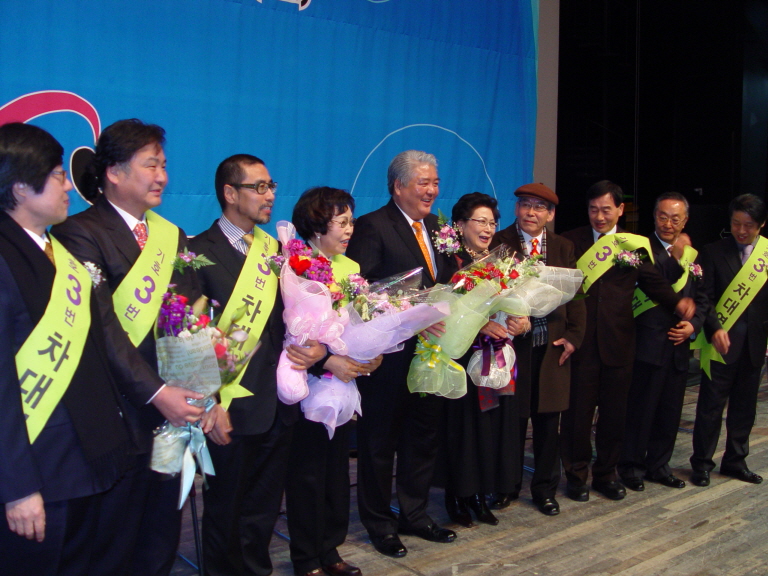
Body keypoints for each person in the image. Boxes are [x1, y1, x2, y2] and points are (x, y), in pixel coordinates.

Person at [51, 118, 205, 576]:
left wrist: (201, 389)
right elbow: (101, 328)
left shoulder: (172, 235)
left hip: (172, 416)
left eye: (164, 165)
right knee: (111, 542)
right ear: (114, 172)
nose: (162, 177)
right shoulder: (79, 233)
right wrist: (158, 393)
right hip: (119, 415)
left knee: (161, 532)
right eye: (151, 165)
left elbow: (191, 317)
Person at [0, 122, 137, 575]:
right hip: (37, 473)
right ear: (21, 187)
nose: (68, 187)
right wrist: (17, 487)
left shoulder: (58, 253)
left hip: (85, 459)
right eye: (58, 175)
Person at [189, 154, 326, 576]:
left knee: (262, 509)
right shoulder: (197, 252)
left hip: (278, 402)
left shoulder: (277, 250)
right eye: (259, 187)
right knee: (225, 509)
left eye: (271, 186)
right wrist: (210, 403)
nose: (269, 196)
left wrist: (319, 348)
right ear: (230, 194)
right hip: (230, 406)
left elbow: (298, 318)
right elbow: (189, 337)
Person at [346, 150, 455, 559]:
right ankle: (379, 524)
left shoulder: (438, 227)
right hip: (389, 357)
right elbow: (363, 290)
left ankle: (415, 514)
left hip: (431, 354)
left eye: (435, 183)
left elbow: (446, 279)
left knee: (422, 437)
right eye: (423, 182)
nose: (432, 190)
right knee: (379, 443)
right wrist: (416, 315)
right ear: (398, 186)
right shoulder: (373, 226)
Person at [560, 180, 695, 503]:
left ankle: (606, 474)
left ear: (620, 209)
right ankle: (576, 475)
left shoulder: (632, 245)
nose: (599, 216)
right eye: (593, 209)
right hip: (582, 345)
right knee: (578, 417)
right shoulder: (570, 241)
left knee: (614, 416)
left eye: (606, 210)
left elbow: (653, 282)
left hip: (620, 344)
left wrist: (678, 303)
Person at [285, 186, 383, 576]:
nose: (349, 230)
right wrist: (328, 360)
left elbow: (362, 323)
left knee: (337, 473)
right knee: (307, 475)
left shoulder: (350, 268)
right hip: (306, 383)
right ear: (316, 225)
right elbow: (293, 334)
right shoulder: (294, 266)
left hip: (342, 386)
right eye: (341, 223)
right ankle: (306, 558)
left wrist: (373, 352)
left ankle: (330, 550)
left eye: (351, 222)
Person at [490, 183, 586, 516]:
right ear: (516, 208)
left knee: (548, 424)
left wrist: (573, 337)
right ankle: (506, 486)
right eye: (525, 205)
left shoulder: (563, 246)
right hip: (512, 346)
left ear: (551, 214)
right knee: (511, 423)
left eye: (539, 207)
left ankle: (545, 490)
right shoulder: (499, 242)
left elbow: (577, 296)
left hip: (552, 347)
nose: (531, 212)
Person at [441, 192, 525, 528]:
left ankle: (479, 494)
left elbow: (513, 302)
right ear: (460, 225)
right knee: (462, 430)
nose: (488, 228)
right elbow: (444, 308)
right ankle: (457, 496)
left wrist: (519, 319)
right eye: (481, 221)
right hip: (461, 357)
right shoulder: (450, 262)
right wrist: (478, 323)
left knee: (488, 427)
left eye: (492, 222)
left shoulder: (500, 261)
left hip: (493, 357)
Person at [618, 192, 707, 491]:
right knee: (640, 412)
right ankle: (630, 466)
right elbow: (656, 284)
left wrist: (693, 325)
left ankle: (659, 466)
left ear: (685, 221)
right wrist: (677, 257)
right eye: (662, 217)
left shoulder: (693, 255)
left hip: (679, 348)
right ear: (654, 216)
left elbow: (702, 298)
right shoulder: (641, 249)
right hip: (647, 345)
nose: (668, 224)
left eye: (675, 219)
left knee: (669, 413)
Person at [689, 193, 768, 487]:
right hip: (720, 346)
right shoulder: (713, 252)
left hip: (755, 345)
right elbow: (704, 298)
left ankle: (736, 461)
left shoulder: (766, 255)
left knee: (745, 409)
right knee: (710, 408)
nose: (741, 231)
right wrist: (715, 328)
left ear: (761, 224)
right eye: (736, 224)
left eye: (748, 225)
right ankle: (702, 464)